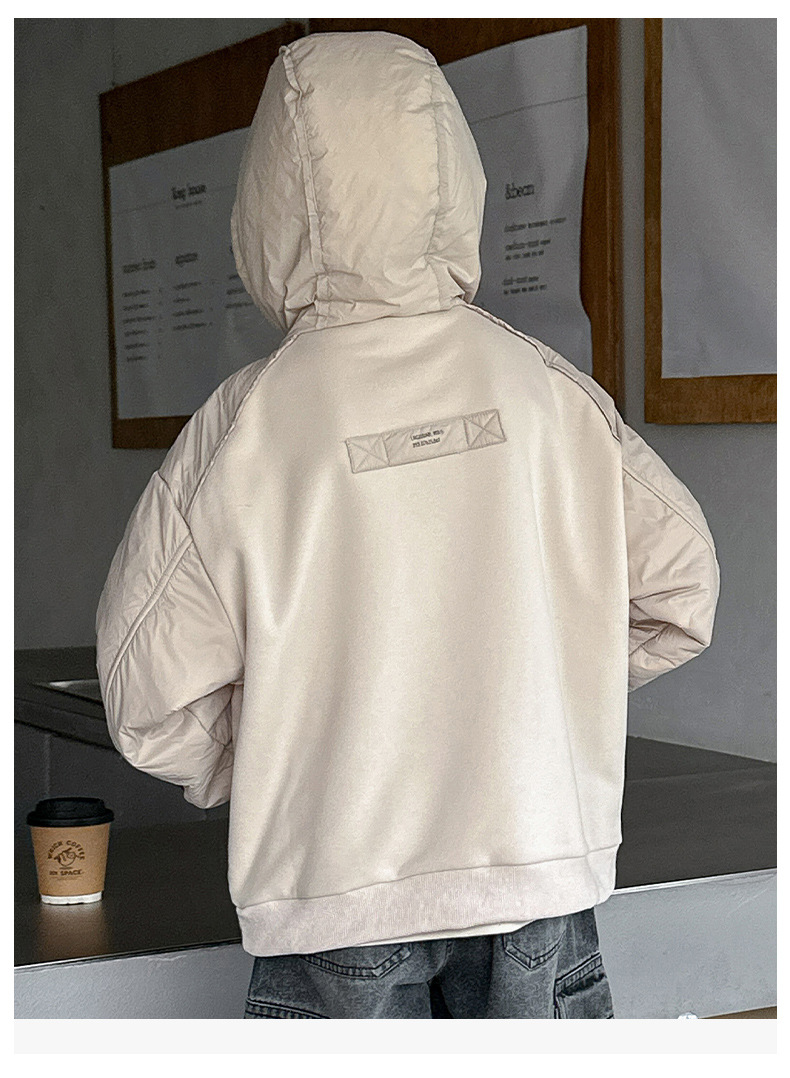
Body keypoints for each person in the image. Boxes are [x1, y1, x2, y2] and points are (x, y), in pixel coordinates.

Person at [96, 31, 720, 1019]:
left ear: (270, 203)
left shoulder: (247, 424)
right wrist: (547, 700)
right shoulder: (549, 392)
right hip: (536, 878)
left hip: (330, 891)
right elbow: (681, 592)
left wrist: (279, 752)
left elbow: (145, 695)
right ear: (450, 176)